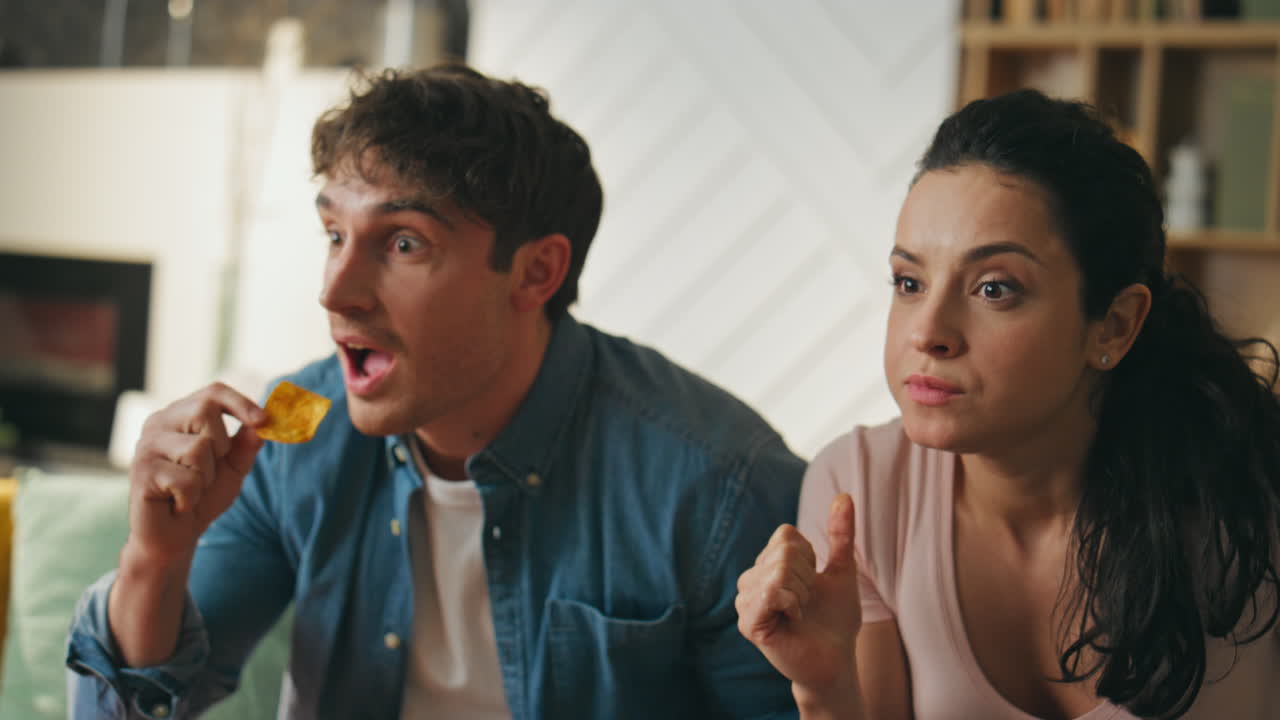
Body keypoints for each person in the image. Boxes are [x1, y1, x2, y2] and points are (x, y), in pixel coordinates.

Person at [66, 64, 805, 719]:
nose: (335, 292)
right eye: (333, 234)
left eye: (403, 242)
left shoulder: (719, 486)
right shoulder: (294, 441)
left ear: (535, 273)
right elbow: (146, 706)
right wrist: (152, 560)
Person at [736, 89, 1280, 720]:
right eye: (910, 282)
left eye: (995, 288)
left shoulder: (1248, 502)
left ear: (1114, 326)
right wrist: (825, 690)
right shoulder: (859, 492)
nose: (929, 331)